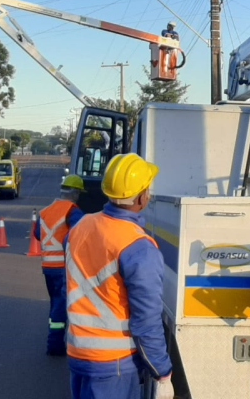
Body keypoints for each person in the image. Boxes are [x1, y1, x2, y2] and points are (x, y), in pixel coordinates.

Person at [65, 153, 174, 399]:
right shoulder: (138, 246)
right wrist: (162, 372)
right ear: (141, 197)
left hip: (78, 354)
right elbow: (146, 319)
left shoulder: (80, 226)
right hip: (114, 363)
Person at [34, 174, 86, 355]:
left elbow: (38, 235)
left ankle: (55, 339)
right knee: (60, 304)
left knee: (55, 302)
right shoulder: (73, 211)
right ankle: (54, 344)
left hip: (48, 267)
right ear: (76, 193)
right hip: (64, 268)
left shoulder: (45, 211)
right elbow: (82, 235)